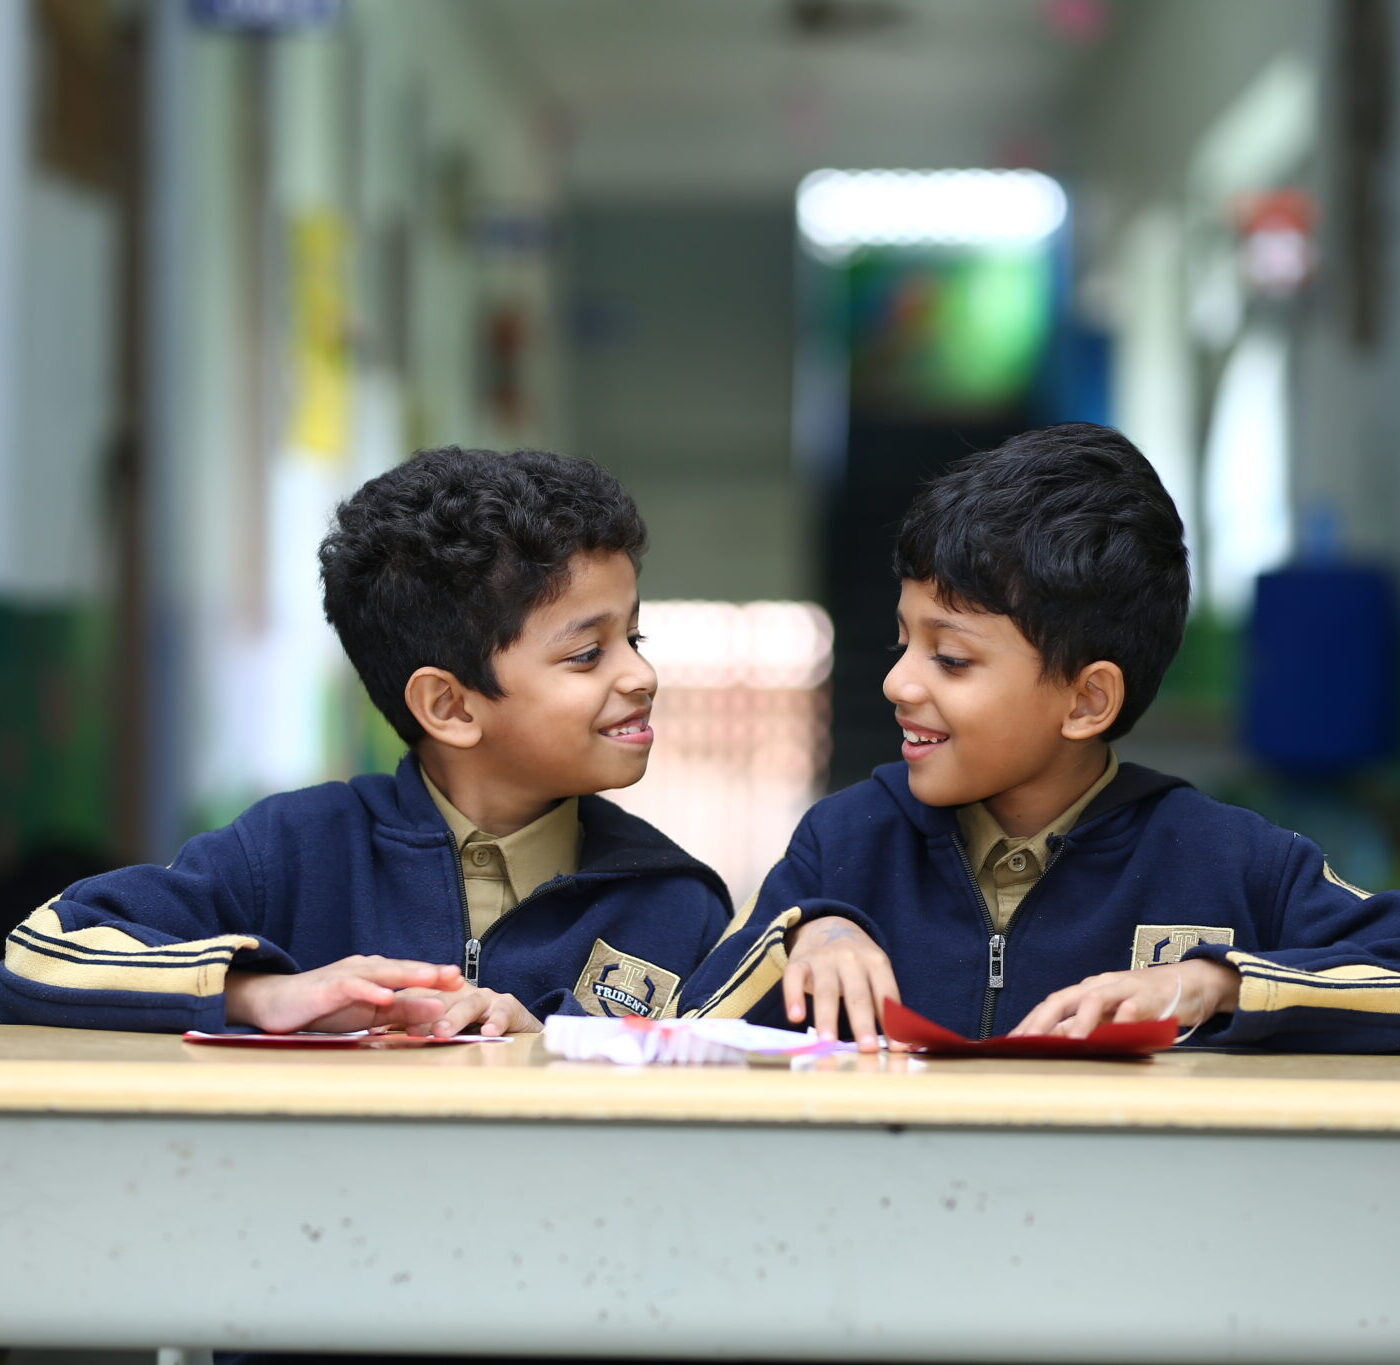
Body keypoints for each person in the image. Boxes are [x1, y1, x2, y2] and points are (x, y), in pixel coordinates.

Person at [686, 422, 1400, 1052]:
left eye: (951, 658)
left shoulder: (1232, 863)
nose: (898, 683)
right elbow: (686, 1025)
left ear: (1087, 701)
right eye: (902, 643)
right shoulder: (844, 845)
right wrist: (804, 937)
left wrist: (1215, 984)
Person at [0, 447, 730, 1036]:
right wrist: (258, 993)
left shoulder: (674, 902)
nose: (642, 674)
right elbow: (36, 956)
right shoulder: (293, 851)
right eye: (588, 653)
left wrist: (545, 1042)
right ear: (449, 706)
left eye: (634, 638)